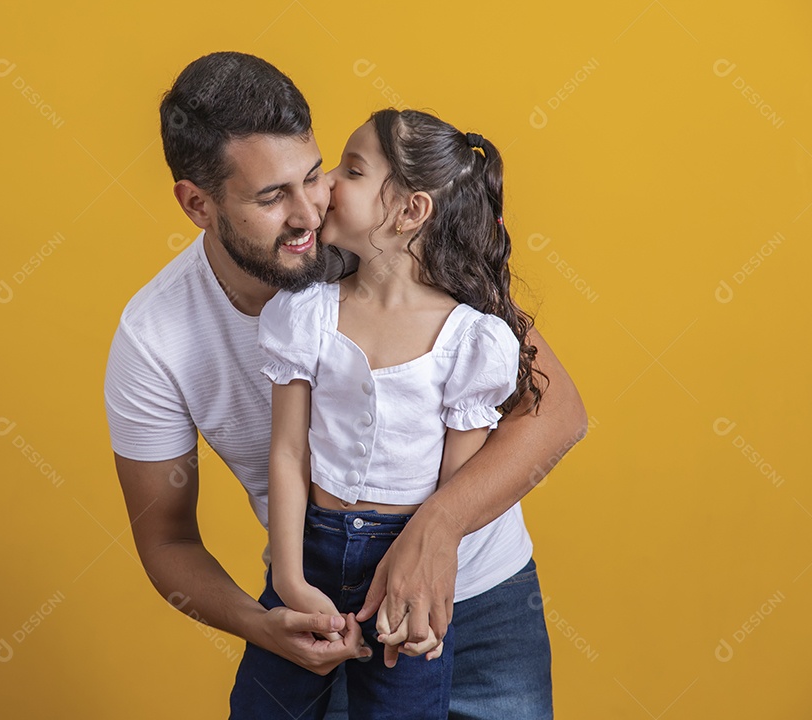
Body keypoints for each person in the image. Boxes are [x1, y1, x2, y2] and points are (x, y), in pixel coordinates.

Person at [104, 51, 588, 719]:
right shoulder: (155, 337)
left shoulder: (390, 256)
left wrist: (439, 528)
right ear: (197, 203)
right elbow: (166, 542)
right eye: (273, 197)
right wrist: (262, 620)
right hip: (326, 614)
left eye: (314, 174)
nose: (310, 211)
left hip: (484, 608)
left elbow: (558, 411)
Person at [227, 108, 540, 719]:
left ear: (409, 210)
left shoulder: (471, 340)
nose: (328, 184)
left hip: (405, 574)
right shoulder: (306, 314)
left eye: (353, 169)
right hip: (310, 550)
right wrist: (289, 580)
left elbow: (456, 496)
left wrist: (427, 604)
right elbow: (289, 454)